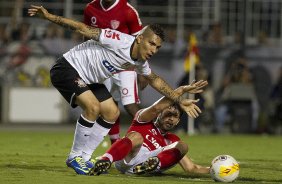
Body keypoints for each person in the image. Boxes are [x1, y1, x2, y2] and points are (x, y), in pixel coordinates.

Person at [28, 5, 202, 175]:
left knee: (112, 113)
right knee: (93, 107)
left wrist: (179, 100)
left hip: (89, 79)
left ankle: (86, 157)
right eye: (151, 44)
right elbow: (82, 28)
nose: (153, 50)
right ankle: (74, 157)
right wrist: (49, 16)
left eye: (157, 47)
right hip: (68, 68)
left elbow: (155, 80)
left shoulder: (139, 61)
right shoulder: (117, 39)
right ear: (140, 38)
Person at [91, 80, 209, 175]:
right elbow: (156, 107)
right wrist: (181, 90)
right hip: (127, 158)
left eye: (175, 116)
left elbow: (191, 168)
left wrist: (215, 170)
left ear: (178, 121)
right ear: (159, 114)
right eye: (168, 114)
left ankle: (150, 165)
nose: (171, 119)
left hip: (146, 166)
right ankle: (106, 160)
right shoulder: (143, 119)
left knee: (183, 146)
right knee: (137, 136)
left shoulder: (173, 141)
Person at [84, 0, 146, 144]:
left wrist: (142, 72)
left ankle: (152, 135)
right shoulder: (90, 8)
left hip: (125, 65)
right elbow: (85, 35)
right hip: (102, 66)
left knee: (130, 105)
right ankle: (115, 144)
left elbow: (142, 43)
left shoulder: (128, 11)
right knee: (109, 106)